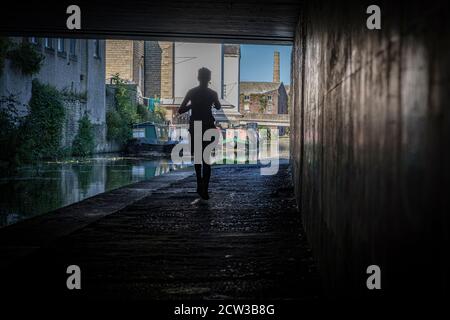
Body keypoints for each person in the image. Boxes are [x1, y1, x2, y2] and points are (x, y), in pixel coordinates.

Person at [178, 67, 221, 200]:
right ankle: (205, 189)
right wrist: (212, 102)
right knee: (206, 160)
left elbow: (180, 110)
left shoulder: (191, 92)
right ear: (209, 79)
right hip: (208, 126)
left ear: (198, 78)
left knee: (197, 158)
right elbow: (218, 106)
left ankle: (199, 184)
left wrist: (192, 105)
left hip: (195, 126)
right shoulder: (212, 93)